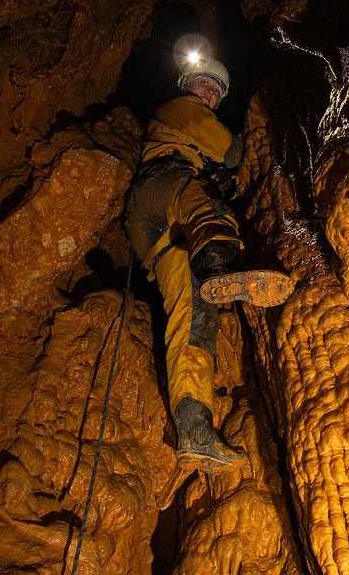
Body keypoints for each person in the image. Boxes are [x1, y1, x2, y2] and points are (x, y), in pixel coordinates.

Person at [125, 54, 293, 472]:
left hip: (160, 235)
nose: (210, 94)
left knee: (194, 320)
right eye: (205, 85)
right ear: (187, 85)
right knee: (214, 211)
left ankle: (195, 432)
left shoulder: (182, 129)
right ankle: (218, 268)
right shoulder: (180, 109)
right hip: (163, 189)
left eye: (216, 92)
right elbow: (232, 152)